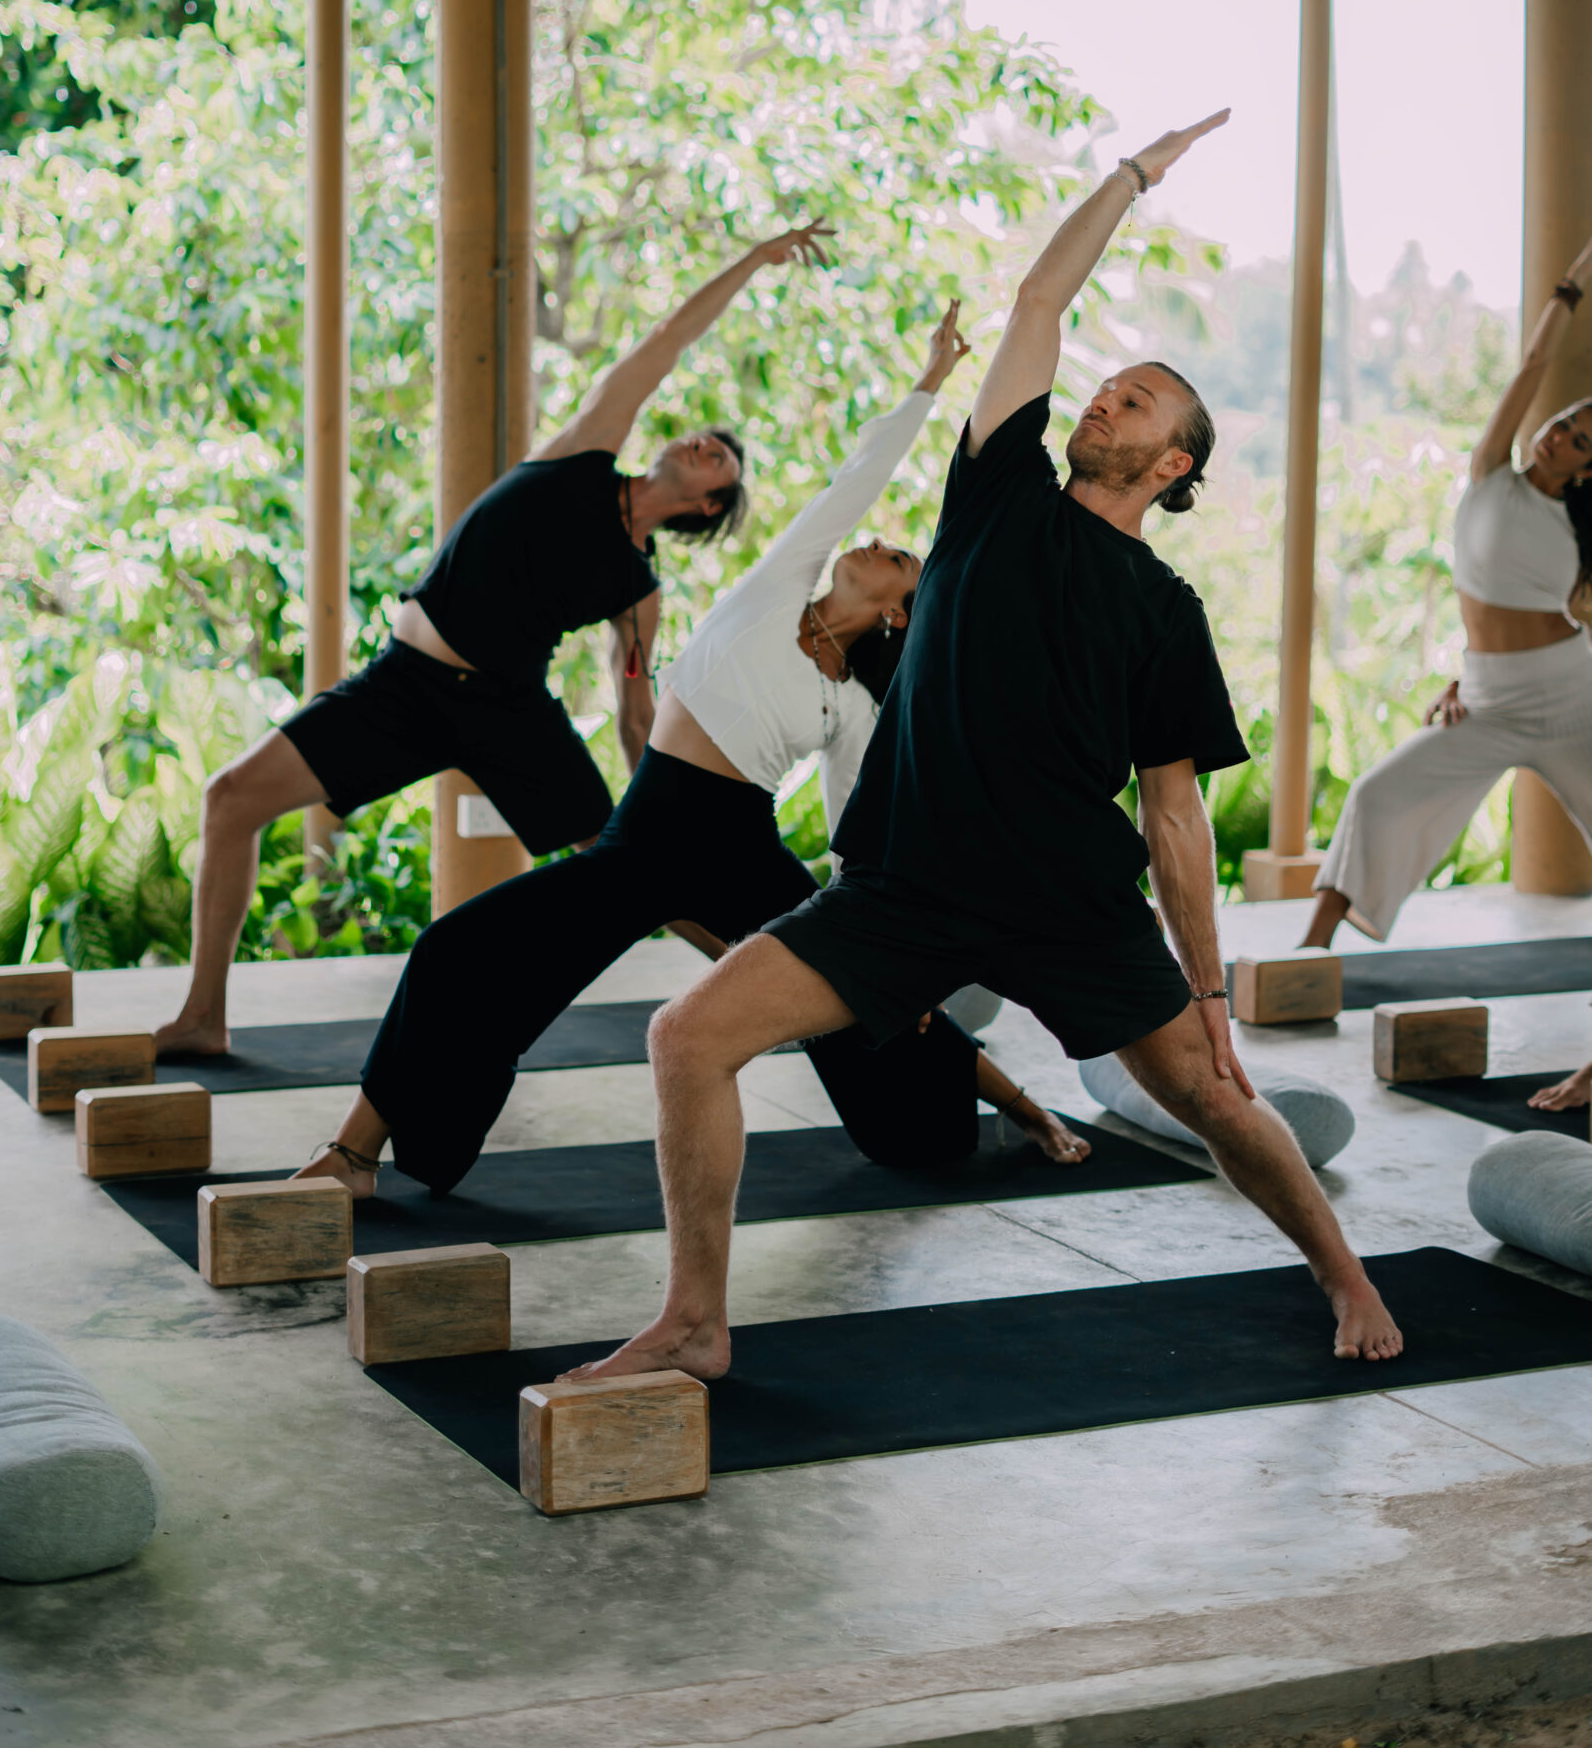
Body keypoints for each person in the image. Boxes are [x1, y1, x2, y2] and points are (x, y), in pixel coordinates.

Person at [566, 113, 1407, 1388]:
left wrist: (1212, 991)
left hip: (1069, 902)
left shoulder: (1166, 613)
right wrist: (1130, 178)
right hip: (903, 888)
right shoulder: (1000, 483)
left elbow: (1173, 816)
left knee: (1218, 1101)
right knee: (687, 1035)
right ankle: (696, 1320)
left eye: (1139, 401)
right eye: (1110, 381)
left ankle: (1344, 1273)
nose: (1108, 395)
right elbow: (1040, 297)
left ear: (1170, 461)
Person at [293, 299, 1091, 1198]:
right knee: (456, 953)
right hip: (645, 835)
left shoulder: (852, 707)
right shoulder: (778, 584)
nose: (878, 541)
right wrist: (930, 381)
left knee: (873, 1004)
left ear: (900, 610)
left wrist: (881, 934)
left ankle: (1021, 1107)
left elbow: (856, 829)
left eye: (900, 558)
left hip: (738, 849)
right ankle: (354, 1156)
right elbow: (857, 479)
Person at [154, 224, 833, 1057]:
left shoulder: (638, 592)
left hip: (509, 713)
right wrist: (756, 258)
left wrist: (651, 808)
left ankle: (789, 999)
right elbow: (668, 341)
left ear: (705, 508)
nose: (706, 446)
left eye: (720, 462)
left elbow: (633, 705)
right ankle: (202, 1019)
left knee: (637, 871)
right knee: (230, 800)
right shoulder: (582, 454)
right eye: (705, 439)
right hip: (402, 689)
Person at [1302, 230, 1592, 955]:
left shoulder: (1575, 528)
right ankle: (1308, 954)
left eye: (1580, 442)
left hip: (1571, 701)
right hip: (1488, 698)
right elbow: (1531, 365)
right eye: (1562, 425)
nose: (1558, 438)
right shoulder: (1489, 470)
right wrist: (1570, 287)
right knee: (1377, 794)